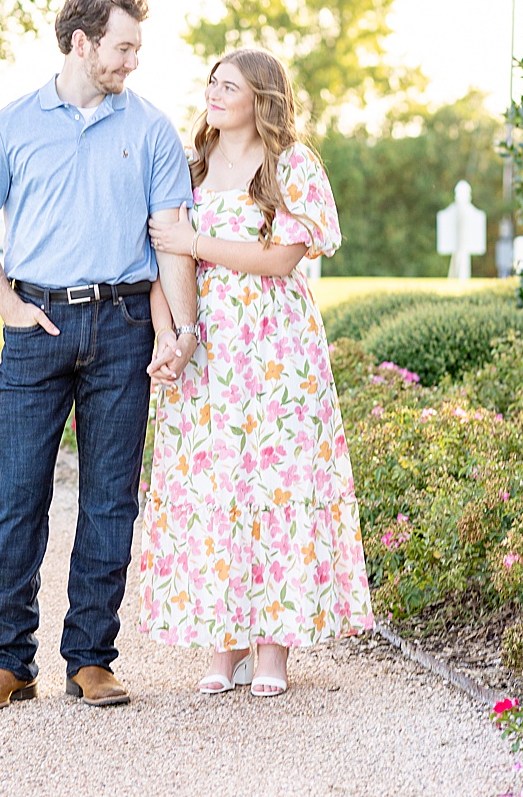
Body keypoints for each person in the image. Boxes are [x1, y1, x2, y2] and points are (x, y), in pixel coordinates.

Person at [0, 0, 198, 712]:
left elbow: (171, 239)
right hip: (37, 327)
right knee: (20, 493)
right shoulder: (10, 126)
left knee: (110, 500)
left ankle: (91, 659)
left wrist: (178, 331)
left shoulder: (151, 128)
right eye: (123, 47)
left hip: (123, 325)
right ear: (82, 43)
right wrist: (10, 307)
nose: (132, 60)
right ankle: (8, 662)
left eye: (136, 49)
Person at [133, 48, 373, 697]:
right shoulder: (189, 167)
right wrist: (170, 336)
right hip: (207, 349)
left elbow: (281, 258)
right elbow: (165, 263)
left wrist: (196, 244)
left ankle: (273, 650)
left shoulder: (292, 163)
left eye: (229, 84)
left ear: (260, 96)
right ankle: (223, 642)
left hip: (276, 348)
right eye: (212, 82)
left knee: (277, 487)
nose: (214, 92)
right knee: (215, 487)